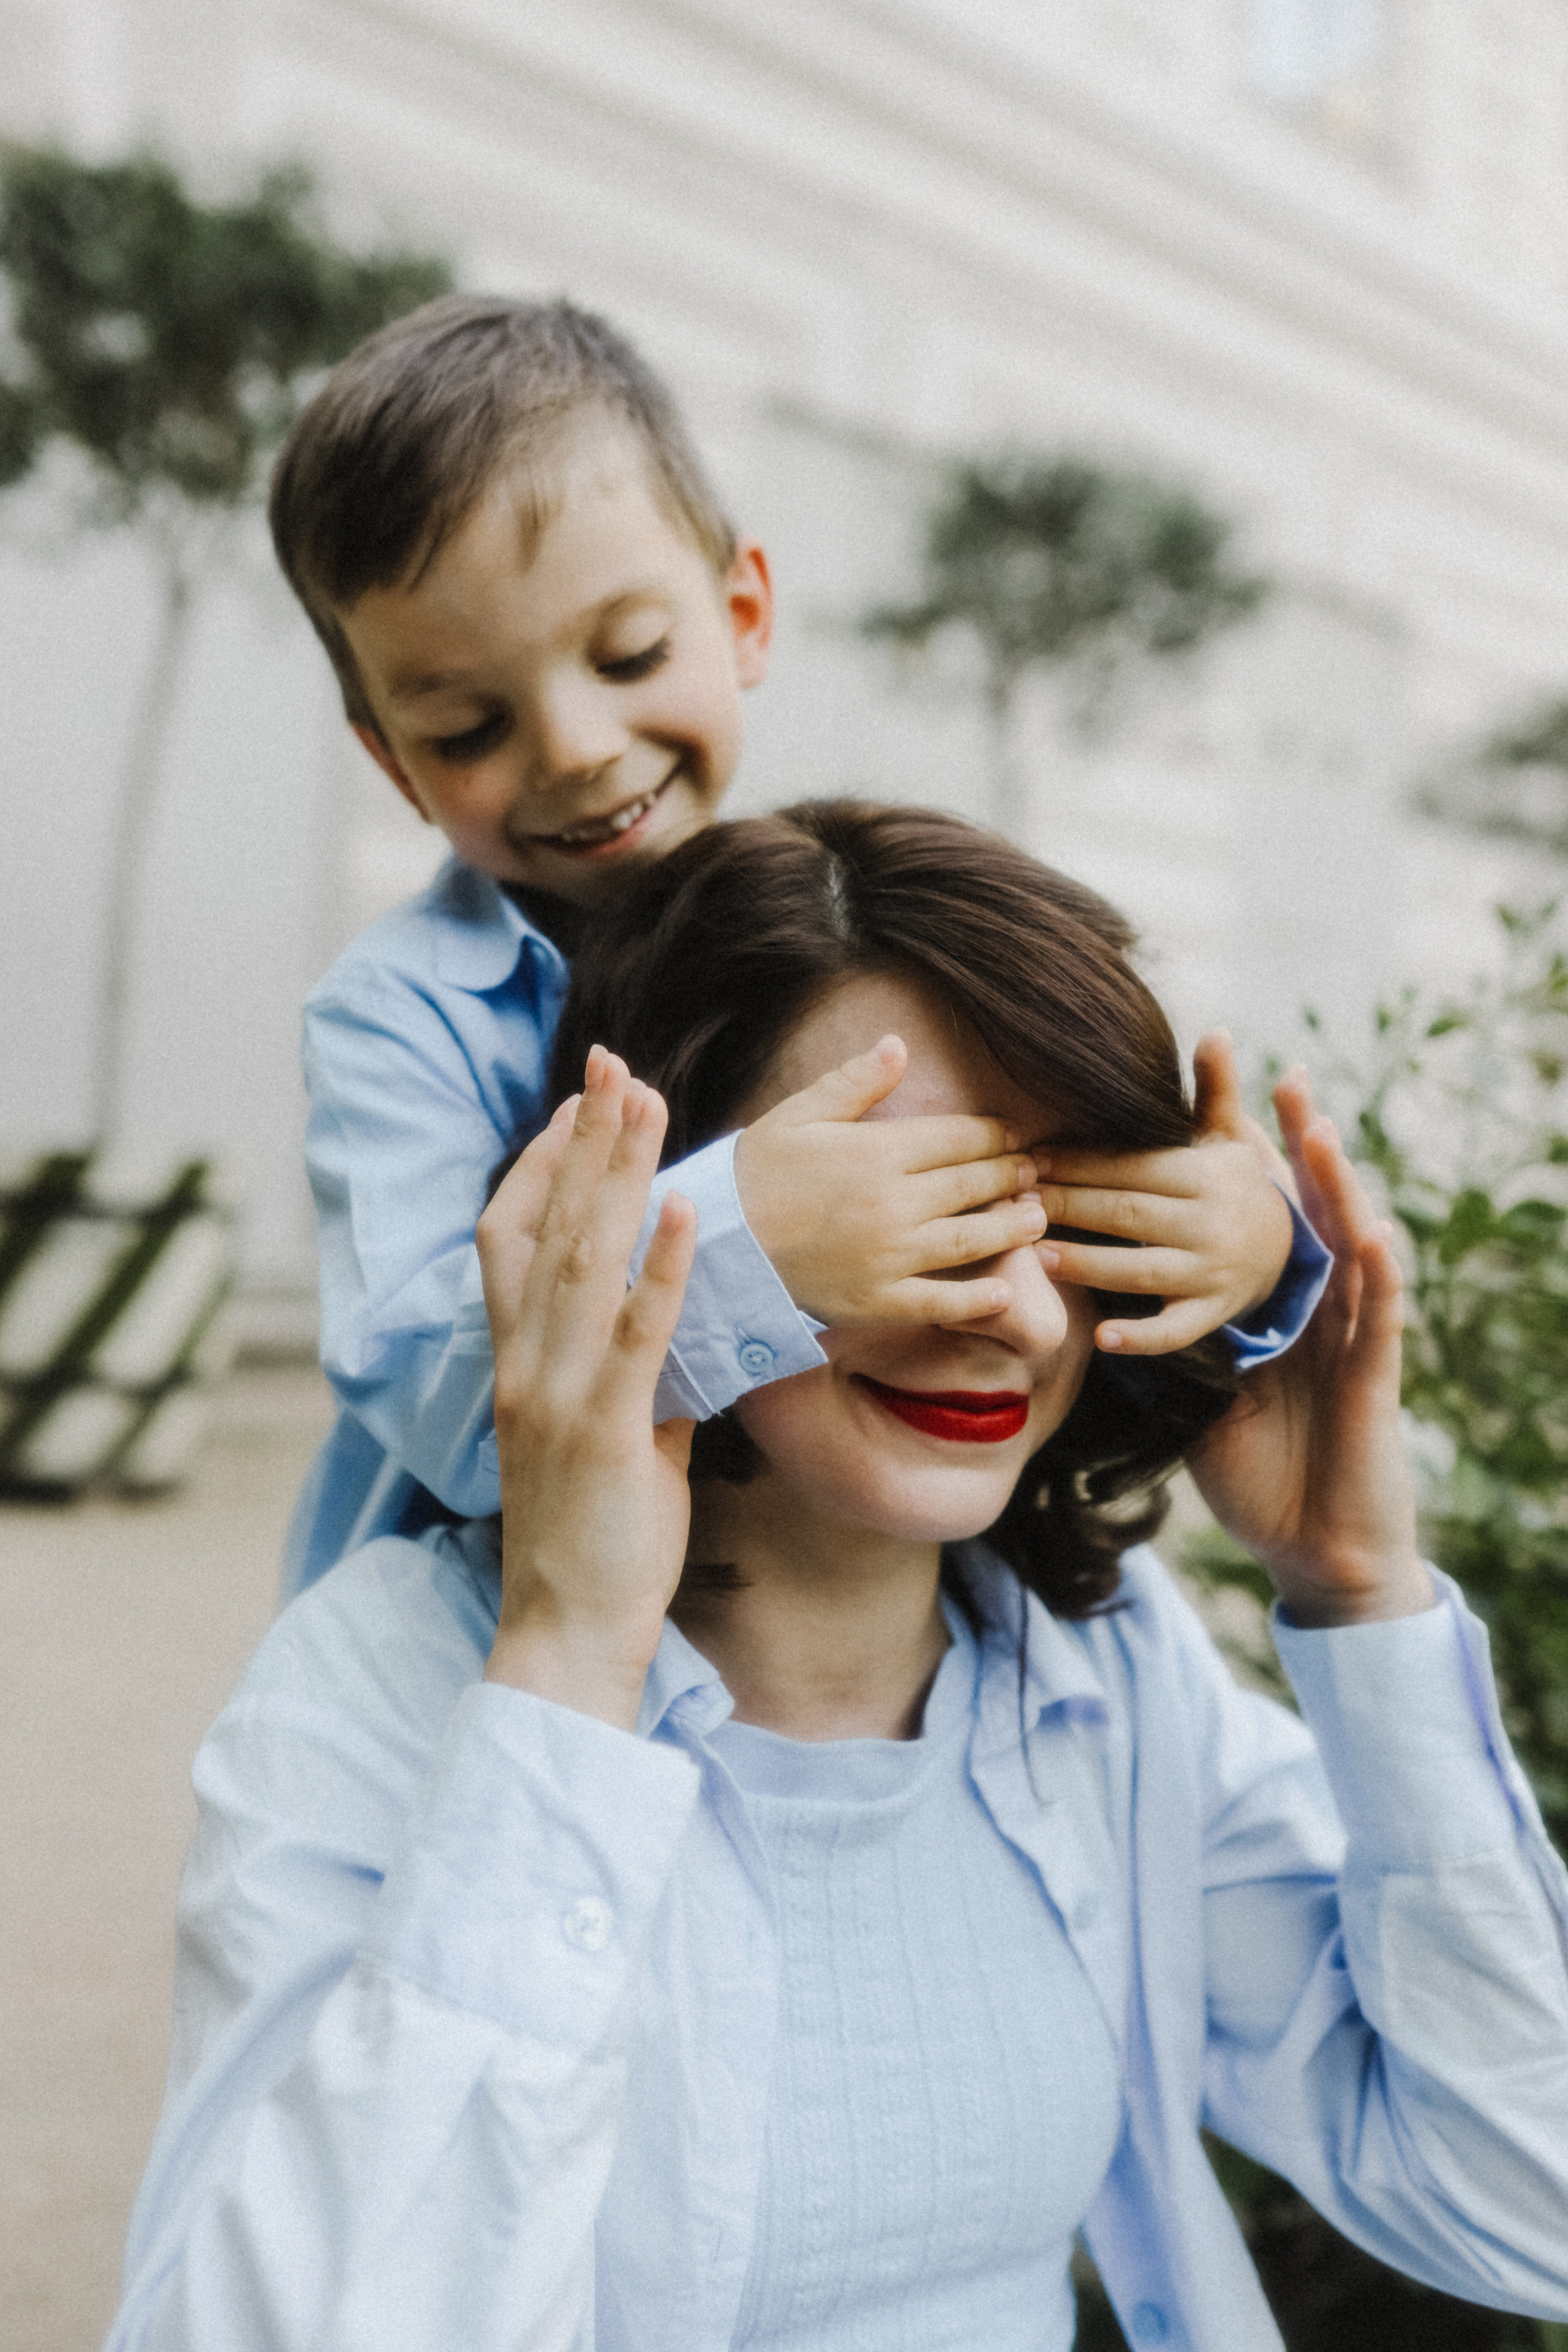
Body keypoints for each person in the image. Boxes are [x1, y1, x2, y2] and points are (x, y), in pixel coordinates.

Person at [110, 805, 1568, 2351]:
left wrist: (1357, 1590)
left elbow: (1520, 2201)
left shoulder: (1102, 1680)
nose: (1006, 1310)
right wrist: (563, 1666)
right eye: (907, 1217)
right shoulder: (382, 1688)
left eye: (1069, 1218)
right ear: (674, 1217)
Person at [267, 293, 1327, 1600]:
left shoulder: (832, 924)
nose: (575, 746)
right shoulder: (402, 1015)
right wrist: (742, 1236)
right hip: (505, 1628)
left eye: (630, 652)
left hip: (810, 1615)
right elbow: (431, 1387)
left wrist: (1240, 1240)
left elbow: (1032, 1174)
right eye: (467, 726)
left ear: (744, 614)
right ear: (389, 763)